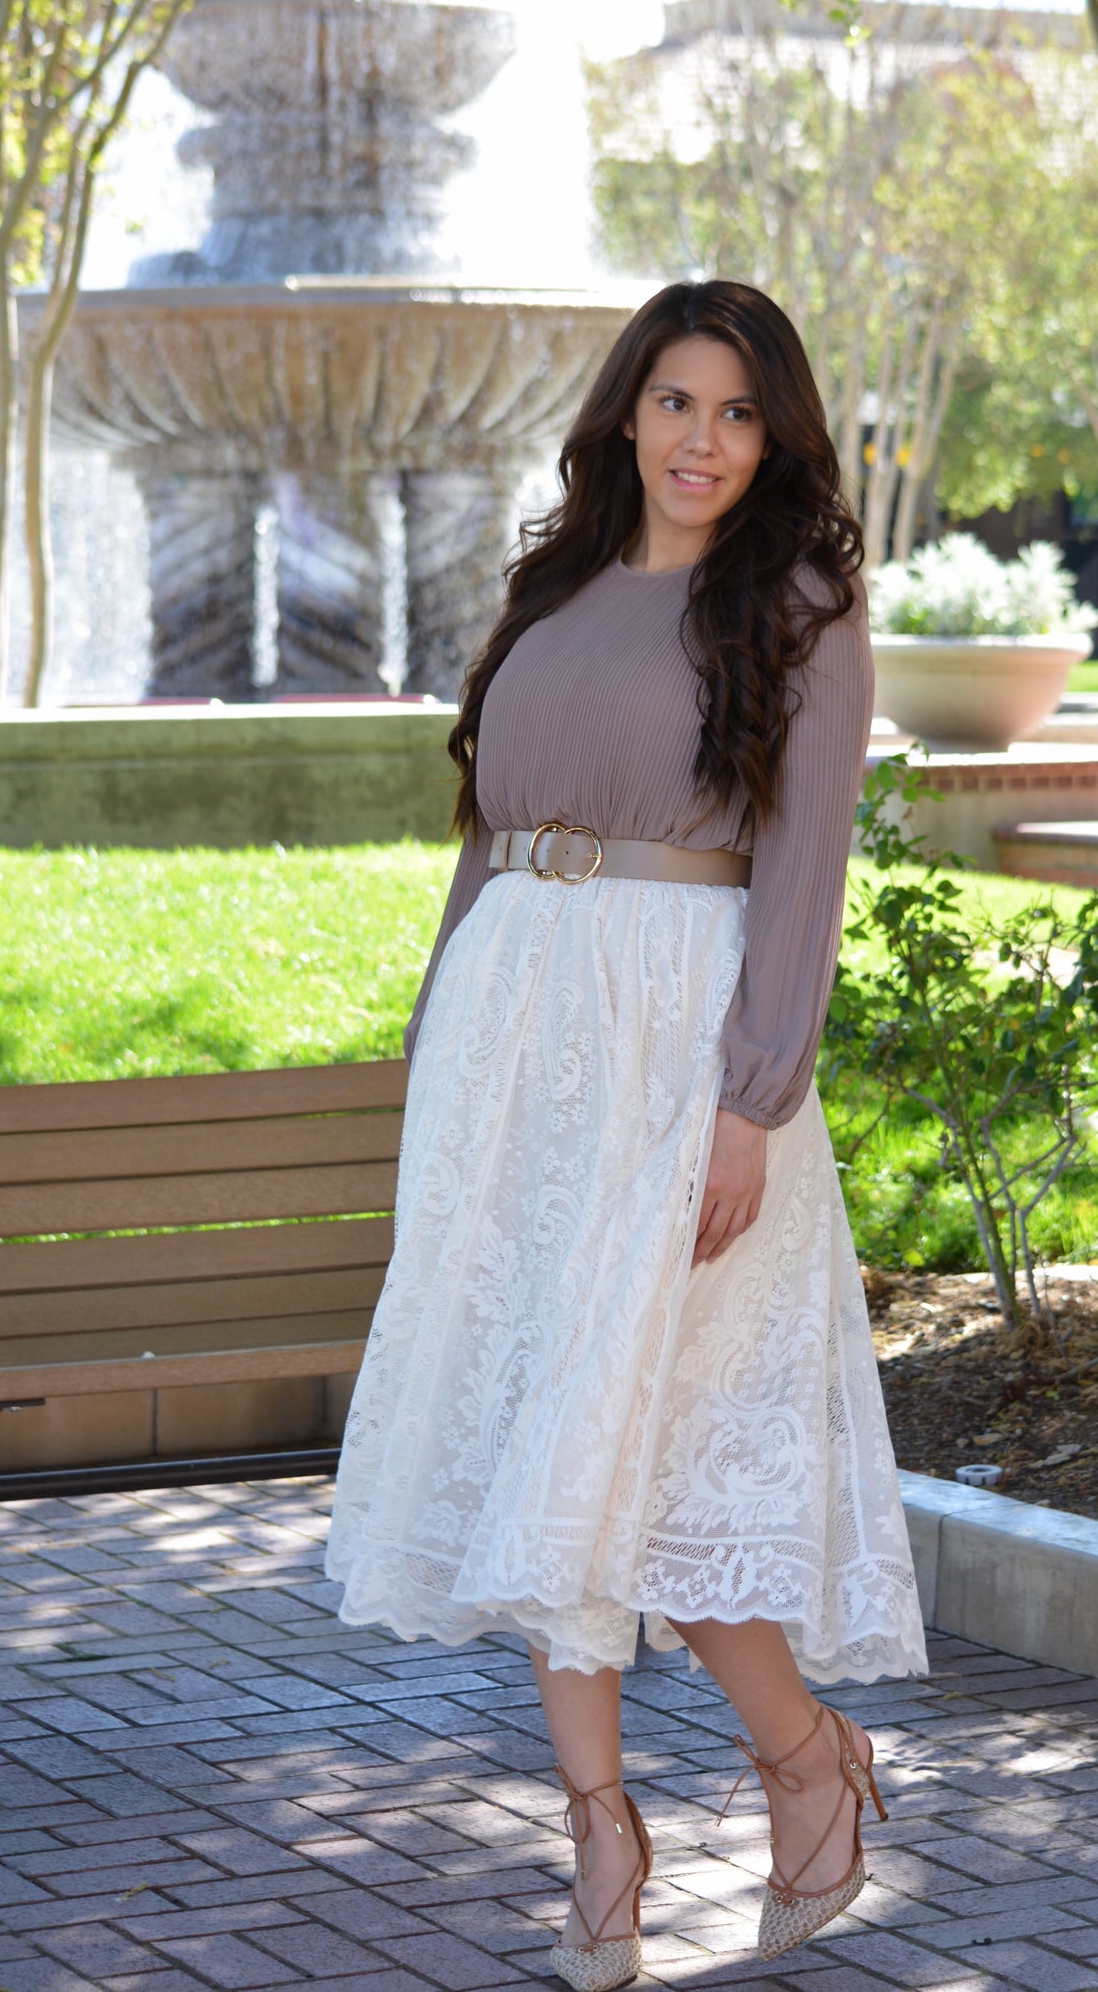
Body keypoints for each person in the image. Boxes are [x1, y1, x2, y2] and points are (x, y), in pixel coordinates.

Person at [325, 280, 928, 1991]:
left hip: (680, 1055)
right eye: (676, 402)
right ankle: (600, 1832)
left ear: (776, 437)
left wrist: (754, 1098)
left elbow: (803, 874)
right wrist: (444, 1061)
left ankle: (804, 1760)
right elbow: (485, 844)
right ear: (627, 413)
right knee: (544, 1443)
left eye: (738, 413)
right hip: (515, 1049)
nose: (703, 441)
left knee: (649, 1461)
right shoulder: (558, 586)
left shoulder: (802, 608)